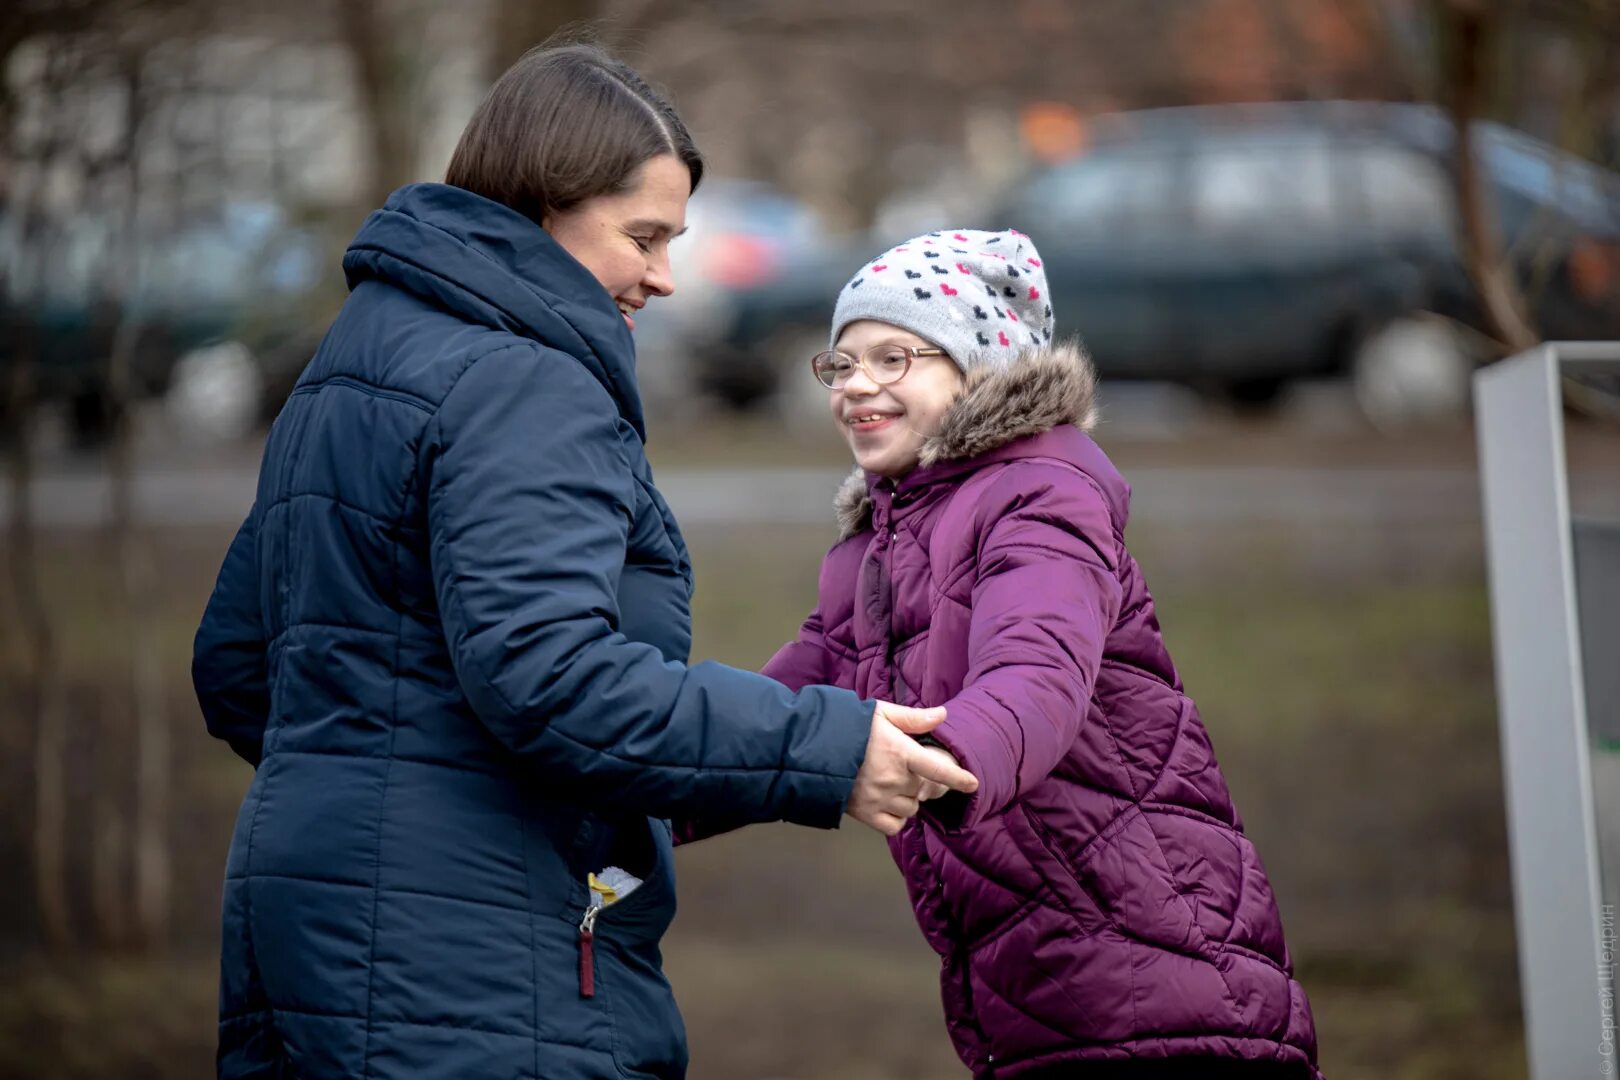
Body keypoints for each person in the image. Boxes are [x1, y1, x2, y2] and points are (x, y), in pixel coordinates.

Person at [190, 44, 975, 1080]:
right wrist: (830, 750)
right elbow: (552, 682)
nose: (663, 276)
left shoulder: (355, 364)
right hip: (470, 967)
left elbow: (239, 664)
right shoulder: (523, 380)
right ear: (545, 207)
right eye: (642, 237)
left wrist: (378, 791)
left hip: (298, 929)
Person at [737, 229, 1323, 1078]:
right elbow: (773, 713)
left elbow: (1037, 670)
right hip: (1042, 1004)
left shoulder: (1039, 494)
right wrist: (640, 781)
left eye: (894, 357)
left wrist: (941, 760)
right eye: (841, 363)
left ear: (977, 368)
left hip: (1169, 999)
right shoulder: (874, 555)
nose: (857, 385)